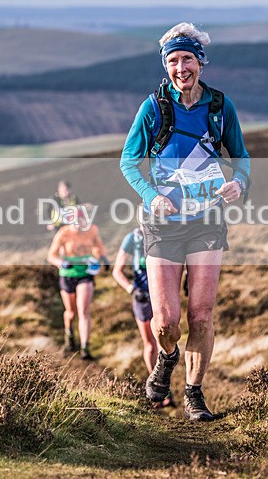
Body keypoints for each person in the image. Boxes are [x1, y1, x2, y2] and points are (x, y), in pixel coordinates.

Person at [119, 22, 251, 421]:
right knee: (166, 321)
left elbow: (240, 158)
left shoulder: (219, 107)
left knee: (201, 315)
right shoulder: (154, 108)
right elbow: (129, 160)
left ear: (200, 63)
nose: (181, 68)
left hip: (207, 221)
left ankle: (194, 396)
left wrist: (239, 184)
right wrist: (151, 196)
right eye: (173, 60)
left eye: (188, 59)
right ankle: (167, 358)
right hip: (162, 225)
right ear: (166, 64)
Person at [112, 225, 175, 408]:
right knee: (150, 344)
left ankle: (164, 386)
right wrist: (131, 290)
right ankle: (159, 387)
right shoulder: (132, 239)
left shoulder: (164, 234)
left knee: (164, 342)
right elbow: (117, 270)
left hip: (162, 297)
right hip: (142, 298)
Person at [46, 205, 108, 360]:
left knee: (84, 310)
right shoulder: (63, 233)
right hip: (68, 275)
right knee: (71, 312)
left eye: (82, 219)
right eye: (76, 219)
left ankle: (85, 348)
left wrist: (103, 258)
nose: (80, 222)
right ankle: (69, 336)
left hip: (85, 274)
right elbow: (51, 255)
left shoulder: (92, 230)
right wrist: (61, 263)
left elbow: (98, 246)